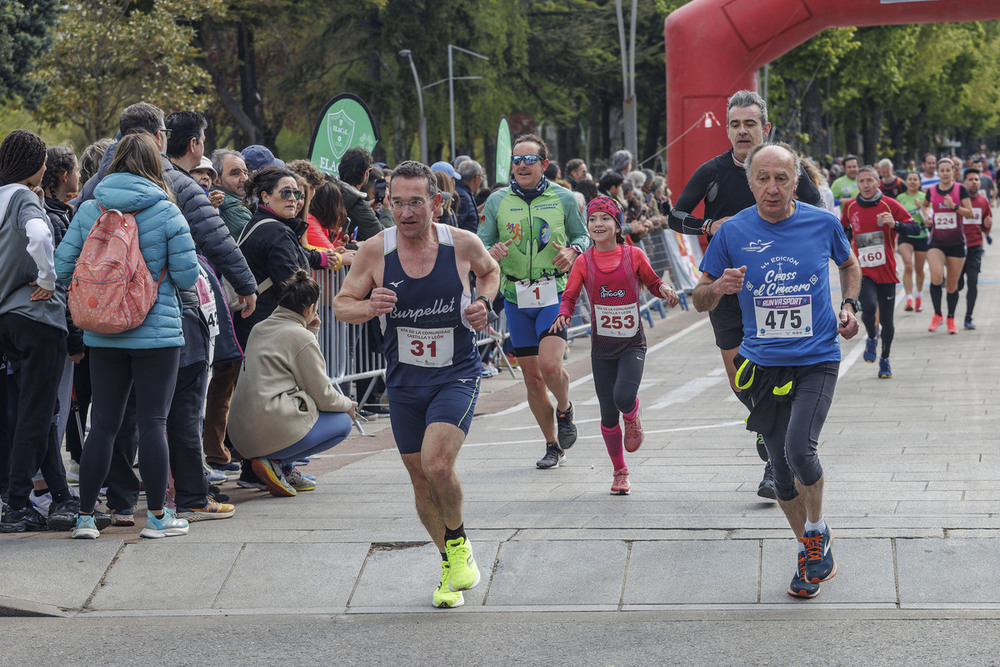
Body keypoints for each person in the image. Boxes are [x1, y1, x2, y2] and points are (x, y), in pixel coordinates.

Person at [693, 141, 861, 599]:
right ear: (749, 182)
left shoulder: (822, 222)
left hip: (817, 359)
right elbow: (698, 297)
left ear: (796, 181)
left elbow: (849, 264)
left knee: (798, 451)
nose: (771, 187)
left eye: (781, 178)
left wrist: (849, 306)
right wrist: (720, 288)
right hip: (763, 367)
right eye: (762, 178)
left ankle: (817, 527)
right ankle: (810, 550)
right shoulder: (731, 233)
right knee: (781, 475)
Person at [333, 160, 500, 609]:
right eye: (398, 202)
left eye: (416, 202)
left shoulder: (461, 243)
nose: (406, 212)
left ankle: (460, 543)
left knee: (438, 465)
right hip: (404, 381)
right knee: (420, 481)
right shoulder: (374, 250)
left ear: (436, 203)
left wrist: (483, 302)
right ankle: (449, 565)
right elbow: (340, 305)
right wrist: (368, 308)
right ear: (388, 203)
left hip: (456, 372)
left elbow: (489, 272)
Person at [667, 89, 823, 500]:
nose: (741, 131)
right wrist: (708, 227)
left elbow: (818, 216)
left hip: (779, 290)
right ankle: (764, 421)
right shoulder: (713, 170)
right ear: (727, 128)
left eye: (749, 124)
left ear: (764, 127)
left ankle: (776, 458)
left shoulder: (788, 168)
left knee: (785, 373)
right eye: (734, 124)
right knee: (742, 378)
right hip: (728, 288)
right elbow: (676, 215)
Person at [54, 132, 199, 539]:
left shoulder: (90, 209)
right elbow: (187, 275)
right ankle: (156, 517)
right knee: (154, 421)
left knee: (103, 424)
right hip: (157, 333)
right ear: (155, 163)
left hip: (103, 333)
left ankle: (86, 518)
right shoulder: (168, 211)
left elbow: (63, 267)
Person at [550, 196, 679, 494]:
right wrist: (563, 315)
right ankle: (620, 472)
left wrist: (667, 290)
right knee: (608, 413)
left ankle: (632, 416)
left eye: (605, 219)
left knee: (624, 398)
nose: (598, 224)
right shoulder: (583, 261)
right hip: (602, 347)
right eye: (593, 219)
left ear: (617, 225)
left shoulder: (632, 255)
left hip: (632, 342)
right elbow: (569, 296)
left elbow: (654, 282)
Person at [478, 134, 589, 469]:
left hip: (553, 292)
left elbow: (581, 235)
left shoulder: (564, 198)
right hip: (515, 295)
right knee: (532, 378)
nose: (521, 166)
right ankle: (553, 444)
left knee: (551, 365)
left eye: (529, 160)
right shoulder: (498, 200)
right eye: (516, 160)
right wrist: (490, 252)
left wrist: (574, 251)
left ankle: (565, 408)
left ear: (544, 164)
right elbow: (480, 244)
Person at [0, 130, 83, 533]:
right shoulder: (23, 198)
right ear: (35, 165)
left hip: (8, 321)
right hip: (38, 318)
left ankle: (60, 493)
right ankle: (16, 502)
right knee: (38, 412)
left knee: (40, 409)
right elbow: (40, 234)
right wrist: (48, 279)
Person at [229, 271, 356, 496]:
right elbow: (323, 393)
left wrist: (310, 330)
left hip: (240, 435)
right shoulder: (299, 335)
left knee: (307, 404)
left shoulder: (260, 327)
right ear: (310, 309)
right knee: (343, 422)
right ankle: (278, 462)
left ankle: (282, 466)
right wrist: (348, 404)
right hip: (270, 427)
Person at [840, 166, 919, 379]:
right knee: (868, 307)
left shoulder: (889, 204)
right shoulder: (850, 207)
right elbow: (842, 232)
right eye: (862, 181)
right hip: (863, 270)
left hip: (886, 271)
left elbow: (915, 228)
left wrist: (896, 224)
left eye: (870, 181)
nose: (866, 185)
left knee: (887, 320)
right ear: (857, 184)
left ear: (877, 182)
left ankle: (885, 359)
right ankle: (872, 337)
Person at [925, 157, 973, 334]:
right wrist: (927, 216)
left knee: (952, 285)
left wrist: (954, 207)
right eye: (942, 170)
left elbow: (969, 213)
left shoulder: (960, 190)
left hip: (956, 244)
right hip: (936, 242)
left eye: (948, 170)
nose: (945, 173)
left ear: (953, 171)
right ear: (938, 172)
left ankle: (951, 318)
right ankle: (937, 315)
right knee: (936, 277)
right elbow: (925, 206)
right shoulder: (931, 190)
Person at [959, 168, 992, 330]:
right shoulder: (957, 199)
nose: (974, 182)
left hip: (974, 248)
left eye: (977, 179)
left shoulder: (983, 201)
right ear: (964, 182)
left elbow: (985, 227)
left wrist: (987, 228)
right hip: (957, 249)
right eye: (971, 179)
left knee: (973, 282)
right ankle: (949, 315)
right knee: (956, 285)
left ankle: (968, 317)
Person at [896, 172, 931, 313]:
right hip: (905, 236)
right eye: (909, 179)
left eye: (915, 179)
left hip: (922, 235)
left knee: (919, 269)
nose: (912, 182)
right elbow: (896, 217)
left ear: (919, 182)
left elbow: (928, 220)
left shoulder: (925, 197)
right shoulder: (900, 198)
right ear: (906, 182)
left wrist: (920, 208)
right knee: (908, 266)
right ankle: (909, 298)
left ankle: (918, 296)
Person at [337, 147, 382, 241]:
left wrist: (366, 206)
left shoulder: (331, 191)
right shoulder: (359, 206)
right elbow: (385, 239)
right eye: (369, 170)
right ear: (365, 175)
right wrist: (387, 209)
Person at [210, 148, 252, 239]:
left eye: (245, 173)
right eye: (235, 173)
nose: (244, 179)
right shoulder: (234, 210)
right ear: (217, 181)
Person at [455, 159, 484, 234]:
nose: (481, 180)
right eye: (481, 176)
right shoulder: (463, 197)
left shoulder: (461, 192)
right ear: (476, 178)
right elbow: (455, 225)